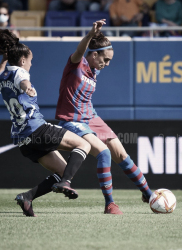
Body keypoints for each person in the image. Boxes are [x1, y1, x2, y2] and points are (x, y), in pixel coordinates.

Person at [0, 29, 91, 217]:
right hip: (37, 130)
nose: (31, 64)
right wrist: (29, 89)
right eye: (30, 60)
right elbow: (23, 81)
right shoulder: (19, 72)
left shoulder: (2, 79)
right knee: (83, 144)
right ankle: (65, 183)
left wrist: (4, 59)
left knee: (64, 170)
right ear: (23, 60)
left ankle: (28, 197)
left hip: (23, 141)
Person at [55, 19, 153, 215]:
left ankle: (149, 194)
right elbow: (81, 50)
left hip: (91, 117)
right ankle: (110, 203)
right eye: (105, 59)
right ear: (93, 54)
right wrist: (91, 34)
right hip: (72, 119)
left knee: (122, 155)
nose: (106, 64)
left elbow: (96, 58)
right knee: (104, 153)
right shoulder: (76, 64)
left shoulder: (94, 70)